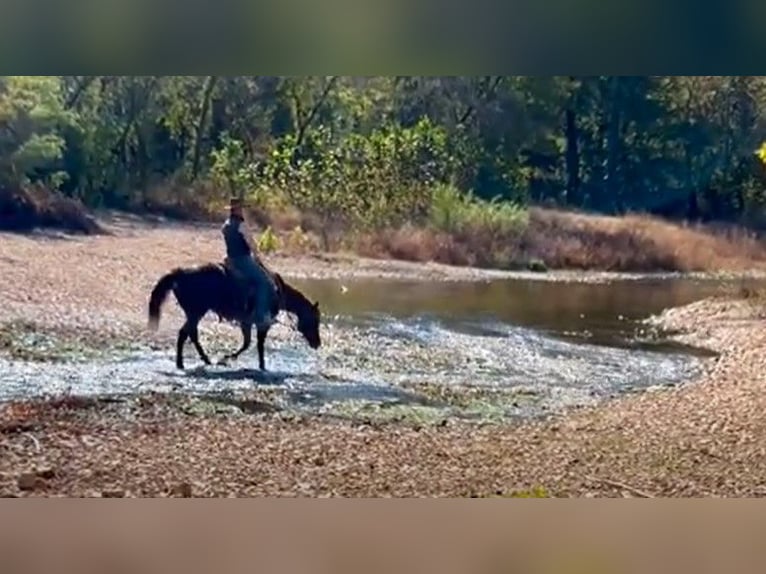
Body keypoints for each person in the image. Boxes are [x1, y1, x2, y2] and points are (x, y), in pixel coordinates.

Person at [221, 196, 278, 329]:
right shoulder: (241, 225)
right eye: (240, 209)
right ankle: (261, 316)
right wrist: (258, 257)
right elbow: (251, 244)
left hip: (230, 259)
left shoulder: (226, 225)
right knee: (264, 282)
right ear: (236, 210)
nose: (241, 211)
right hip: (242, 260)